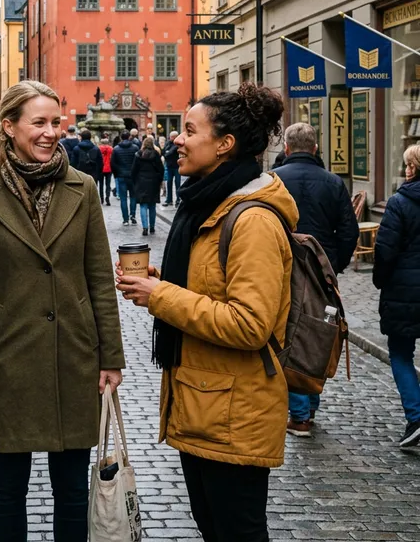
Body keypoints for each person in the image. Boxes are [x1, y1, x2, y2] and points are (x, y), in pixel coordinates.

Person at [116, 83, 298, 542]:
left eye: (189, 130)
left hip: (234, 410)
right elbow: (215, 287)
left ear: (224, 145)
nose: (176, 138)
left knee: (237, 532)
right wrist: (164, 280)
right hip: (206, 404)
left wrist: (162, 296)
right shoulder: (210, 202)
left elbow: (249, 324)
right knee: (216, 530)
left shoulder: (252, 219)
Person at [0, 80, 124, 542]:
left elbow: (98, 280)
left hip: (73, 355)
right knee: (8, 489)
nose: (51, 132)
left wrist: (111, 357)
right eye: (39, 123)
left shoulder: (82, 187)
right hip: (6, 359)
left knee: (71, 490)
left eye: (55, 122)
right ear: (9, 127)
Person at [275, 122, 359, 437]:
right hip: (321, 270)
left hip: (285, 267)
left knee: (291, 332)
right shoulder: (333, 182)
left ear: (286, 148)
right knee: (318, 330)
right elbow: (349, 230)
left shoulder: (274, 180)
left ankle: (300, 414)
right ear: (315, 148)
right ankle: (308, 406)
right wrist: (332, 265)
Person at [373, 143, 420, 449]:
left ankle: (416, 418)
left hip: (405, 291)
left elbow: (385, 250)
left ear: (412, 168)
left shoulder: (400, 203)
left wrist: (380, 280)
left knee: (401, 353)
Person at [131, 137, 164, 237]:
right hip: (153, 181)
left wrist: (135, 181)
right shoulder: (156, 155)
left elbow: (133, 170)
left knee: (143, 205)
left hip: (141, 181)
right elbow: (161, 169)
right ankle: (152, 226)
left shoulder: (138, 155)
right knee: (152, 205)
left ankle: (145, 227)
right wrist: (159, 180)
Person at [111, 130, 138, 226]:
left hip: (121, 176)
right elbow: (137, 162)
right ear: (129, 137)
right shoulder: (135, 148)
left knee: (123, 198)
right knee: (133, 196)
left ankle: (125, 219)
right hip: (132, 176)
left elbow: (113, 163)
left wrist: (116, 174)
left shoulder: (116, 149)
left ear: (121, 137)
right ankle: (133, 215)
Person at [163, 130, 181, 206]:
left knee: (177, 184)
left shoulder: (178, 145)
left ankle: (178, 200)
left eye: (171, 137)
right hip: (169, 166)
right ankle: (169, 200)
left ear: (174, 137)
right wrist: (167, 152)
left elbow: (169, 153)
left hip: (177, 167)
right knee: (169, 183)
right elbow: (164, 152)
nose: (169, 138)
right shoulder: (168, 143)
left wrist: (167, 152)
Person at [98, 135, 113, 206]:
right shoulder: (111, 149)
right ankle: (107, 197)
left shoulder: (99, 149)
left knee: (101, 184)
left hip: (101, 168)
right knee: (108, 184)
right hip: (109, 168)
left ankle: (101, 198)